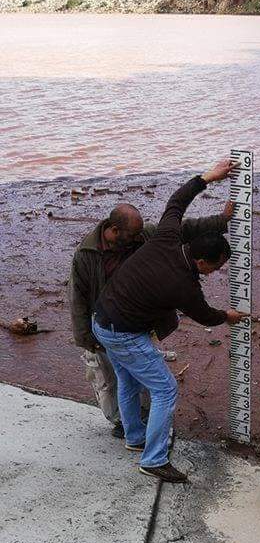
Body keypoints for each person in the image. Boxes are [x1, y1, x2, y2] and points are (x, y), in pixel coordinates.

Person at [92, 159, 246, 484]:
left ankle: (135, 439)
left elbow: (177, 201)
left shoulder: (166, 236)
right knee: (165, 389)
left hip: (102, 321)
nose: (214, 273)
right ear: (202, 262)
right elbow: (205, 315)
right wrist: (228, 316)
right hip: (123, 334)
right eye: (215, 268)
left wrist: (208, 177)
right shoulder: (185, 286)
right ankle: (154, 459)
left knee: (129, 381)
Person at [69, 196, 234, 437]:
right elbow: (77, 300)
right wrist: (86, 339)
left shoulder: (141, 234)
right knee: (112, 381)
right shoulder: (86, 255)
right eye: (134, 235)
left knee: (136, 378)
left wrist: (221, 221)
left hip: (135, 323)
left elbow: (185, 228)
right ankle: (125, 427)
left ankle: (138, 426)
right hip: (103, 325)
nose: (139, 238)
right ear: (114, 230)